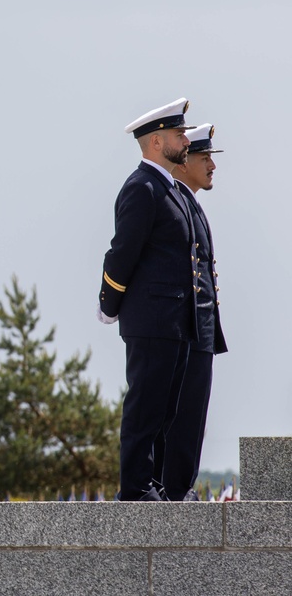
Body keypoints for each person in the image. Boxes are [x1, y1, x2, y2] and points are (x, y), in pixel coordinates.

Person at [98, 97, 199, 501]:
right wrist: (110, 302)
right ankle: (135, 488)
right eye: (178, 134)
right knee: (145, 408)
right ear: (156, 142)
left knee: (164, 411)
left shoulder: (167, 187)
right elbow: (123, 251)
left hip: (174, 321)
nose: (184, 140)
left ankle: (150, 482)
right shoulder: (142, 187)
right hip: (152, 319)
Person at [158, 123, 227, 502]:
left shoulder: (190, 203)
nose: (211, 166)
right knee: (180, 417)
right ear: (183, 163)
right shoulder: (174, 201)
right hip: (184, 329)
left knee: (192, 417)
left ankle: (179, 488)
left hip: (200, 328)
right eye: (204, 158)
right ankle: (173, 490)